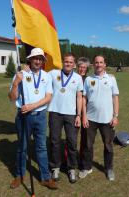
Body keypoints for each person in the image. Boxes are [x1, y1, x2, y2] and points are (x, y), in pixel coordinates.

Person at [8, 48, 57, 190]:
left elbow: (48, 97)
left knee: (41, 147)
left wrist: (32, 106)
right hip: (23, 117)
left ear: (43, 61)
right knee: (22, 147)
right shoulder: (21, 74)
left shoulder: (47, 76)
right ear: (30, 59)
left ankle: (45, 178)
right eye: (35, 58)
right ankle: (19, 175)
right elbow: (12, 98)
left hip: (40, 116)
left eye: (40, 59)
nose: (37, 61)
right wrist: (16, 82)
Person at [79, 55, 119, 181]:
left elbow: (115, 98)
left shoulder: (111, 78)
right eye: (96, 62)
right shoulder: (88, 79)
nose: (99, 64)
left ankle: (109, 168)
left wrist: (115, 116)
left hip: (107, 119)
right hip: (90, 119)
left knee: (108, 145)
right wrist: (84, 116)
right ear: (93, 65)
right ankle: (87, 167)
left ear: (105, 64)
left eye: (101, 62)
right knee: (87, 145)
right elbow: (84, 99)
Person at [48, 53, 83, 183]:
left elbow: (79, 97)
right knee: (54, 141)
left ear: (74, 64)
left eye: (70, 62)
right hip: (55, 112)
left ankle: (71, 168)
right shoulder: (53, 73)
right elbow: (40, 75)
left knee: (72, 142)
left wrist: (78, 115)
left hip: (71, 114)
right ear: (63, 62)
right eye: (66, 61)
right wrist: (26, 69)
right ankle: (55, 167)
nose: (68, 64)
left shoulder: (78, 78)